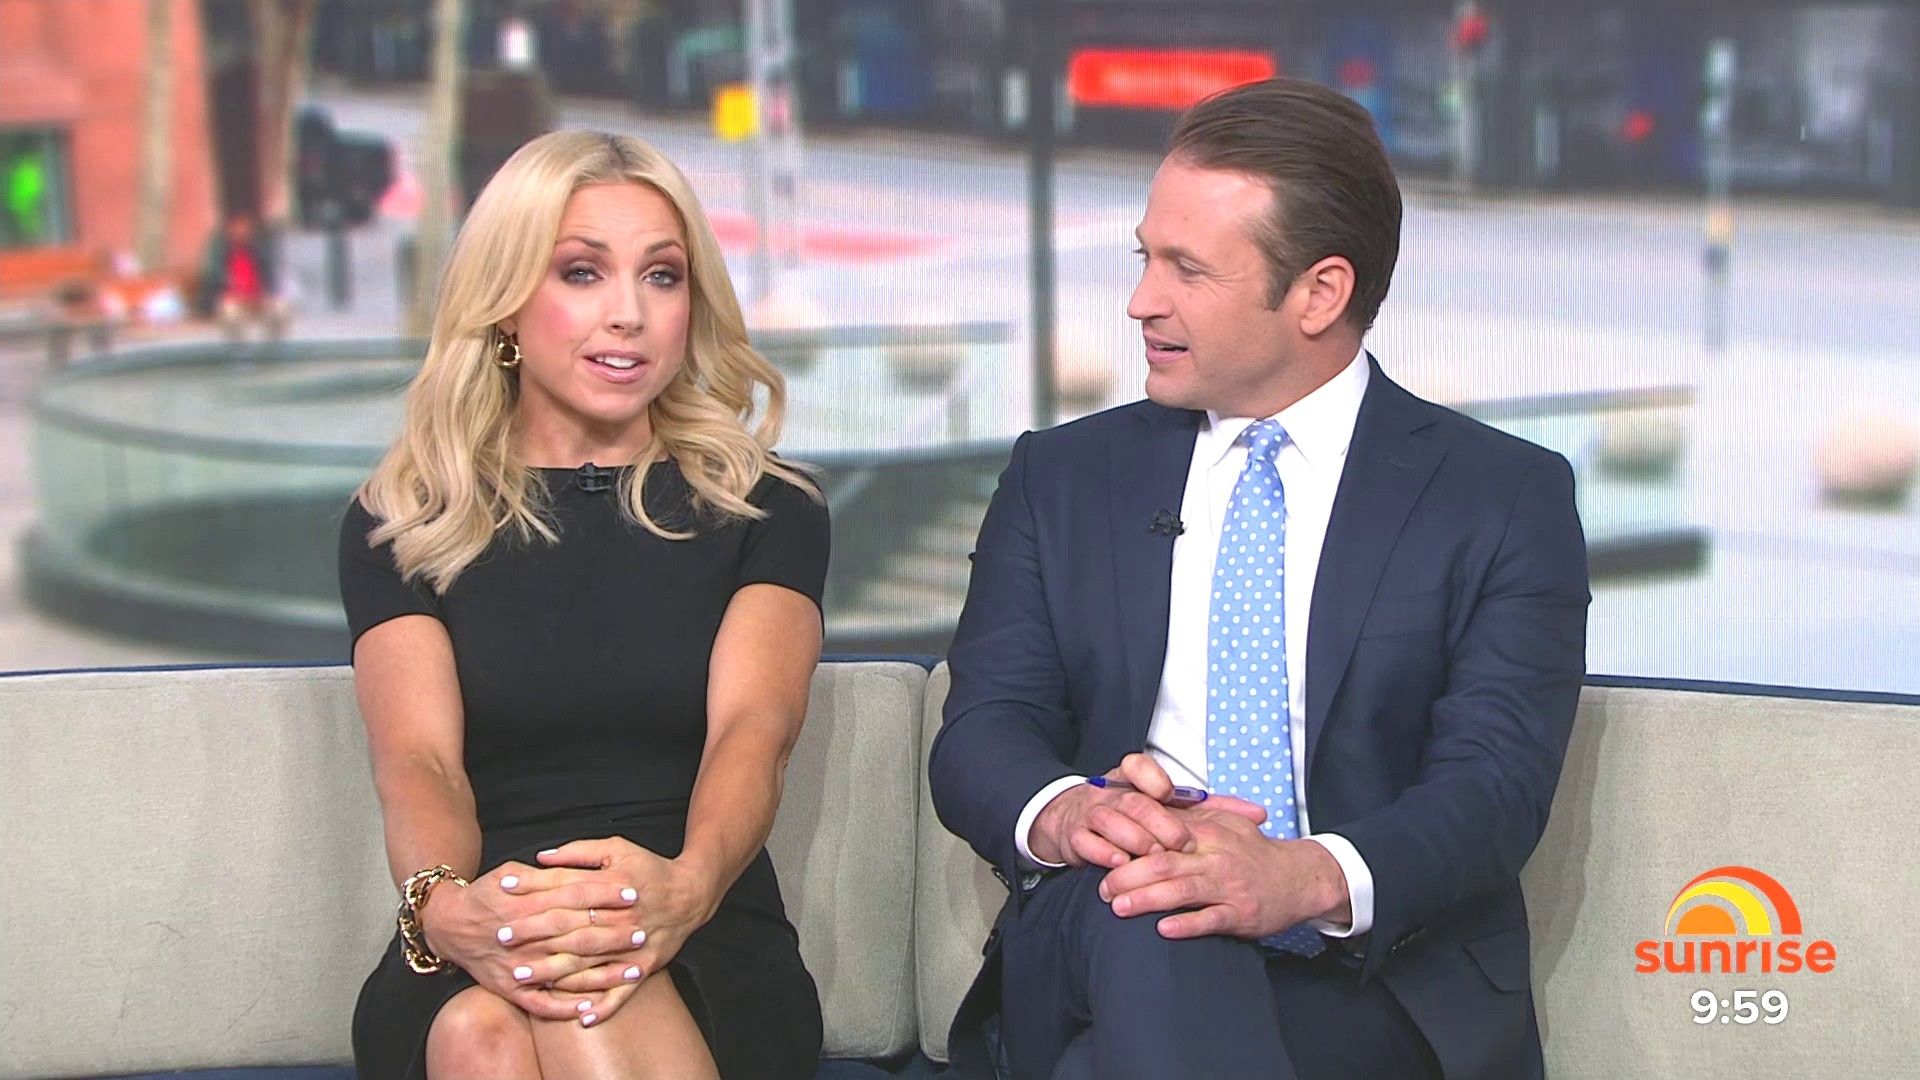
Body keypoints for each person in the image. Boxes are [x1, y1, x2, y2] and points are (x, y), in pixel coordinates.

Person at [929, 77, 1590, 1080]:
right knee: (1159, 905)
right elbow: (985, 727)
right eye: (1145, 258)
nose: (1141, 301)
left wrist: (1297, 875)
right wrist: (1072, 811)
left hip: (1374, 971)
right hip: (1104, 928)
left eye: (1187, 269)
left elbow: (1495, 784)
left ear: (1320, 293)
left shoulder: (1501, 497)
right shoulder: (1061, 476)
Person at [340, 130, 829, 1080]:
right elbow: (420, 761)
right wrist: (446, 908)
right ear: (506, 306)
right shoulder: (406, 521)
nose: (629, 315)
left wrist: (683, 890)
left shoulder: (767, 509)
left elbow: (754, 733)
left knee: (567, 1011)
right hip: (487, 915)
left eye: (661, 277)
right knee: (479, 1029)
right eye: (581, 272)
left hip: (700, 917)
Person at [197, 213, 290, 342]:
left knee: (281, 309)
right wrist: (230, 292)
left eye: (245, 228)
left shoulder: (259, 252)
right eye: (237, 228)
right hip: (235, 300)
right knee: (230, 313)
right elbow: (216, 279)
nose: (241, 232)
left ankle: (273, 344)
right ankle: (239, 347)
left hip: (259, 299)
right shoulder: (222, 253)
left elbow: (270, 278)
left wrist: (267, 294)